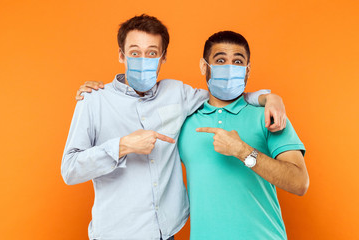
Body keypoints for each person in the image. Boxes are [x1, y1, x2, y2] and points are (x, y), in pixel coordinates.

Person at [64, 14, 286, 240]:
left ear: (163, 57)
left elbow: (224, 94)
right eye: (134, 52)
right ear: (121, 55)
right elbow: (69, 170)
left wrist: (269, 97)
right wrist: (122, 146)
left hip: (167, 233)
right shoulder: (94, 100)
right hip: (116, 233)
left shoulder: (177, 93)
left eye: (152, 53)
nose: (143, 59)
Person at [178, 31, 309, 240]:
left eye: (237, 61)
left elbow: (299, 182)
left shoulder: (268, 116)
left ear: (247, 70)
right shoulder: (184, 122)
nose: (229, 68)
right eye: (220, 60)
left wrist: (243, 151)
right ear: (205, 66)